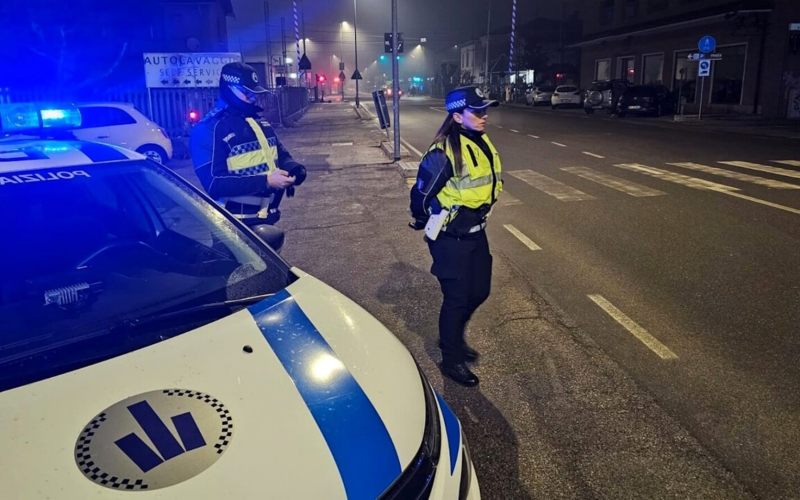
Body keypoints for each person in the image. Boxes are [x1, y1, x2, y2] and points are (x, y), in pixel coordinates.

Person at [409, 86, 503, 387]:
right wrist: (426, 219)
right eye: (477, 111)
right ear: (458, 117)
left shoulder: (479, 140)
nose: (484, 115)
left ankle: (453, 338)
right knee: (457, 298)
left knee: (480, 291)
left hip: (476, 233)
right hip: (451, 238)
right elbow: (420, 196)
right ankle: (451, 358)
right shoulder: (444, 151)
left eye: (484, 110)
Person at [191, 62, 306, 228]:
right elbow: (213, 183)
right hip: (234, 225)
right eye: (246, 92)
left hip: (267, 217)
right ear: (229, 89)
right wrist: (266, 181)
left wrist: (294, 168)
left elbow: (279, 154)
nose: (252, 98)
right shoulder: (209, 129)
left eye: (254, 93)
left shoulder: (257, 120)